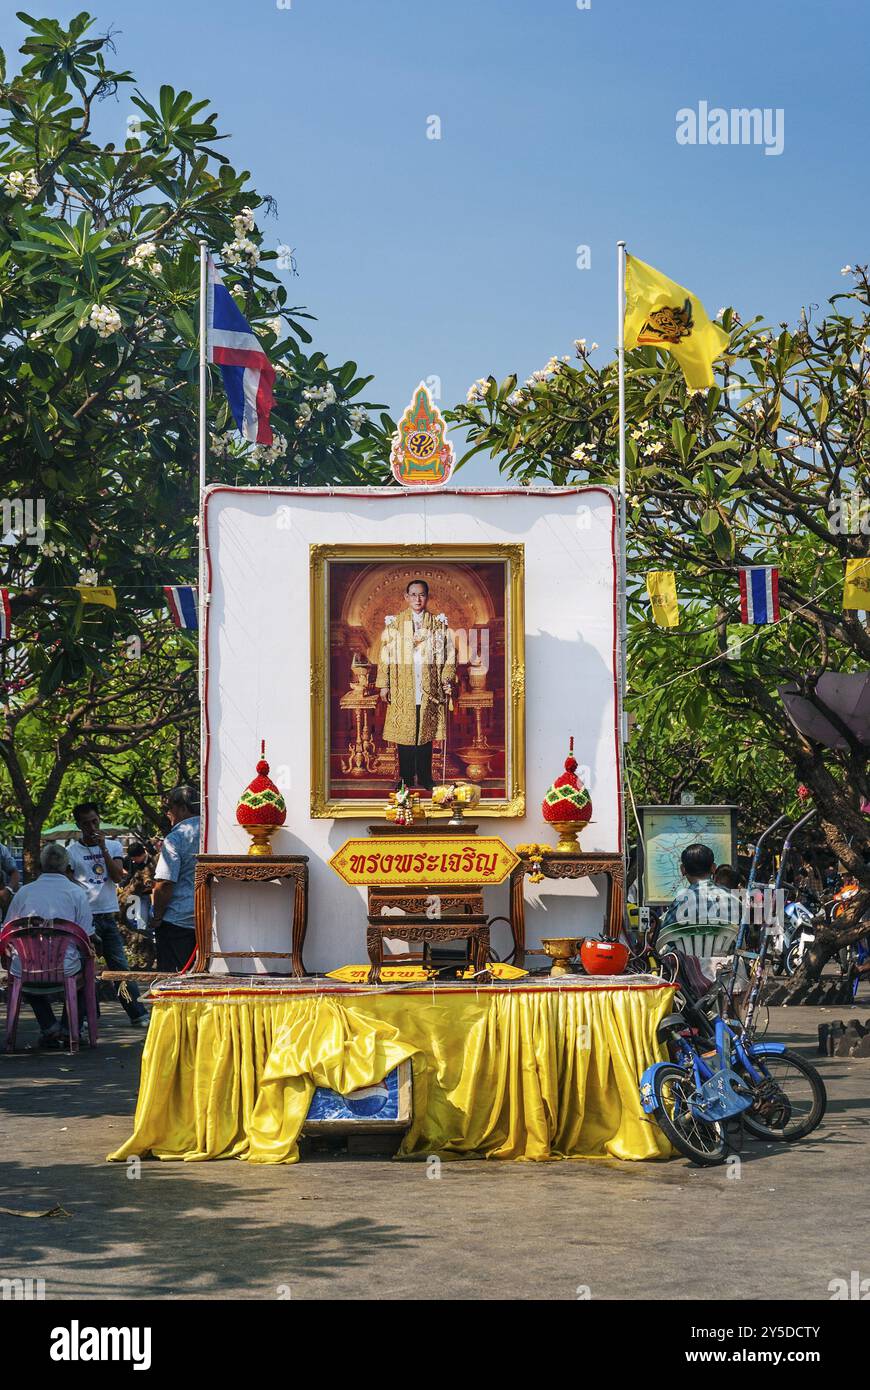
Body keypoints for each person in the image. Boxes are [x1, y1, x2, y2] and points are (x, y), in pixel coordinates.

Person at [2, 842, 94, 1046]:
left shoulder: (24, 892)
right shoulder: (76, 893)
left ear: (41, 866)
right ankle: (69, 1029)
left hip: (26, 966)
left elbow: (7, 930)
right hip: (64, 967)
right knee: (87, 973)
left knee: (22, 975)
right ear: (66, 866)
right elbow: (86, 936)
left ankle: (50, 1027)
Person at [65, 803, 148, 1028]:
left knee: (120, 967)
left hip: (107, 916)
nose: (92, 827)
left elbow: (117, 877)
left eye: (95, 821)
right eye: (86, 823)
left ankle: (137, 1013)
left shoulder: (111, 846)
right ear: (79, 826)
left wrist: (102, 849)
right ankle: (83, 1017)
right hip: (84, 919)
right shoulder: (72, 851)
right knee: (82, 969)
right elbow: (68, 881)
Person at [375, 578, 455, 792]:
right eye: (413, 594)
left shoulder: (438, 625)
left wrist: (446, 680)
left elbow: (449, 656)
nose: (417, 599)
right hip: (403, 686)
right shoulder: (395, 624)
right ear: (406, 597)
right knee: (406, 734)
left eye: (421, 594)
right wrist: (384, 684)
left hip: (429, 686)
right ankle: (406, 777)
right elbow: (385, 656)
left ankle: (426, 777)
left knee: (425, 734)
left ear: (427, 597)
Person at [150, 786, 200, 972]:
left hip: (177, 921)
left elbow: (165, 883)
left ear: (183, 808)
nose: (168, 813)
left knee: (170, 979)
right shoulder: (213, 833)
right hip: (207, 920)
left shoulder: (176, 838)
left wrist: (157, 916)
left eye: (170, 808)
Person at [660, 843, 740, 933]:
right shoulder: (733, 899)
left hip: (686, 947)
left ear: (683, 869)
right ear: (713, 868)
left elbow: (665, 933)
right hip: (726, 947)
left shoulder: (680, 902)